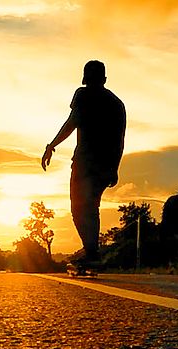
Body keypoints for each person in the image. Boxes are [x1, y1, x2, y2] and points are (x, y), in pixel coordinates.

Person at [41, 60, 126, 267]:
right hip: (105, 164)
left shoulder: (83, 95)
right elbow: (120, 139)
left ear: (85, 79)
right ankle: (92, 252)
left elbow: (72, 122)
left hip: (86, 162)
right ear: (104, 79)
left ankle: (91, 252)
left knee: (80, 208)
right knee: (91, 207)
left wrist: (52, 145)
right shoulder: (117, 104)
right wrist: (115, 167)